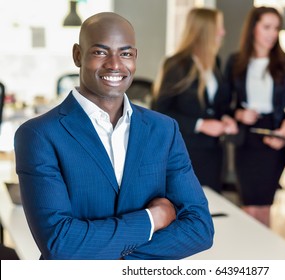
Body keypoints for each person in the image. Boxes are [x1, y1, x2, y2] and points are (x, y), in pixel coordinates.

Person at [14, 12, 214, 260]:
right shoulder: (39, 135)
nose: (115, 64)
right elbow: (60, 243)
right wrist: (152, 219)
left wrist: (110, 256)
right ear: (78, 55)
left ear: (135, 58)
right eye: (100, 52)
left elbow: (200, 229)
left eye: (126, 53)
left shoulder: (164, 130)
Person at [224, 6, 285, 227]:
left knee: (264, 205)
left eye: (276, 28)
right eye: (267, 27)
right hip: (246, 138)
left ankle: (264, 259)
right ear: (253, 28)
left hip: (273, 137)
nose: (272, 34)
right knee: (248, 204)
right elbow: (224, 104)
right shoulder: (236, 61)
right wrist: (238, 113)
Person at [153, 8, 237, 193]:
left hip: (214, 152)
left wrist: (226, 118)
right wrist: (200, 125)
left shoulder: (215, 62)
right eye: (219, 27)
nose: (223, 32)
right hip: (186, 152)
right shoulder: (176, 64)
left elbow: (217, 106)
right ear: (205, 31)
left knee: (210, 207)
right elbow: (160, 113)